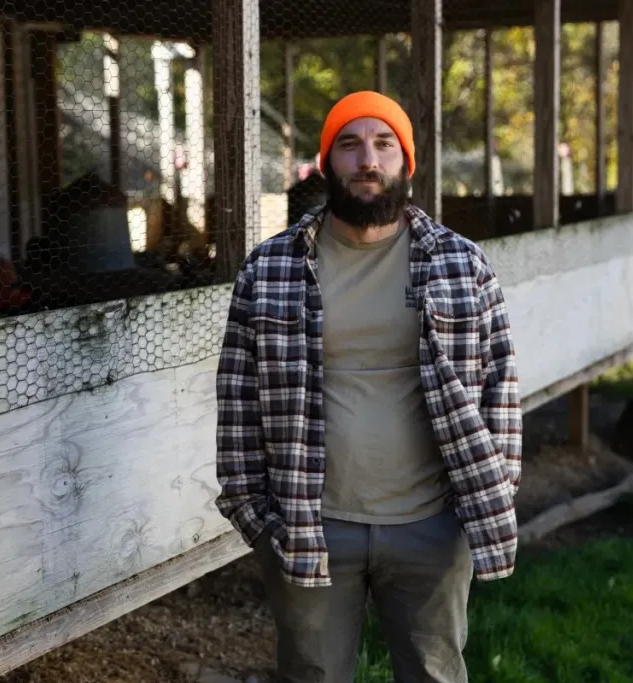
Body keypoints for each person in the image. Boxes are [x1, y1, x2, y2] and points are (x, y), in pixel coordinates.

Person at [215, 90, 522, 683]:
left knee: (434, 675)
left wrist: (486, 498)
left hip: (431, 524)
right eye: (349, 145)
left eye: (384, 144)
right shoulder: (270, 269)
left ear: (406, 162)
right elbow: (238, 404)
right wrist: (258, 517)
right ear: (326, 162)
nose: (367, 160)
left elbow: (501, 391)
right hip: (311, 525)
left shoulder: (462, 265)